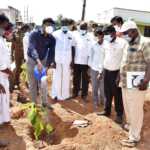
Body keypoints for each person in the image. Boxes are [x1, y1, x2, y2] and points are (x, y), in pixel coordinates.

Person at [119, 20, 150, 147]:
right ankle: (131, 127)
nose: (125, 35)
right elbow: (124, 60)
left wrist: (146, 80)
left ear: (134, 30)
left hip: (138, 82)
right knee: (127, 106)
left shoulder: (145, 43)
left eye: (126, 33)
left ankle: (134, 137)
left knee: (136, 109)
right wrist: (118, 76)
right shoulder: (128, 42)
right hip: (125, 81)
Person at [98, 25, 127, 124]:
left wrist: (119, 75)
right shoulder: (106, 43)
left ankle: (119, 115)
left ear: (113, 33)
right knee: (107, 93)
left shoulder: (122, 43)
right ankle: (107, 111)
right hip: (106, 71)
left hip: (116, 73)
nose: (105, 36)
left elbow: (124, 60)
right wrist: (101, 71)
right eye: (104, 34)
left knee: (117, 94)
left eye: (107, 34)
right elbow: (104, 57)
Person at [27, 18, 56, 108]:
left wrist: (47, 66)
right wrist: (38, 61)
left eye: (51, 26)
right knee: (33, 83)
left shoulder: (52, 38)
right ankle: (33, 104)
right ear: (43, 25)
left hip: (43, 60)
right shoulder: (34, 34)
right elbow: (32, 48)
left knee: (43, 82)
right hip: (32, 59)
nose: (50, 27)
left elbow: (51, 53)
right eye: (48, 25)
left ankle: (44, 102)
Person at [51, 18, 75, 101]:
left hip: (67, 60)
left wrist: (73, 61)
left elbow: (73, 48)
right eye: (63, 23)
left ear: (68, 24)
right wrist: (52, 61)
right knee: (56, 77)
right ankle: (55, 95)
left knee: (66, 77)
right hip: (57, 59)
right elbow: (51, 48)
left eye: (66, 23)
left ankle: (65, 95)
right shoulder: (55, 34)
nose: (64, 25)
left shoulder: (71, 35)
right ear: (61, 24)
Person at [72, 22, 91, 102]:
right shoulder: (75, 35)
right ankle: (75, 93)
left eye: (84, 28)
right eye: (81, 28)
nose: (82, 29)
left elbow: (91, 50)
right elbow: (73, 47)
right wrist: (72, 60)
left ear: (87, 28)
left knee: (85, 79)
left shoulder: (90, 36)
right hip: (76, 61)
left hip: (86, 62)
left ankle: (84, 95)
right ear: (79, 28)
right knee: (76, 78)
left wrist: (90, 63)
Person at [88, 27, 106, 109]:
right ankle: (96, 101)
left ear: (103, 36)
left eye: (100, 35)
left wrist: (102, 70)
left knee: (103, 87)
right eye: (97, 36)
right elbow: (90, 56)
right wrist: (90, 67)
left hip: (104, 69)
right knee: (94, 86)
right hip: (94, 68)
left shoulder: (107, 45)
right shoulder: (93, 45)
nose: (99, 37)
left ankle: (103, 101)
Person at [11, 21, 24, 87]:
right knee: (17, 68)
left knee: (23, 68)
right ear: (16, 25)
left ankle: (21, 81)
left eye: (20, 24)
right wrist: (11, 55)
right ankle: (15, 82)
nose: (19, 25)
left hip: (24, 54)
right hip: (17, 53)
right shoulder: (14, 33)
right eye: (18, 24)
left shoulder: (24, 33)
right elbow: (12, 45)